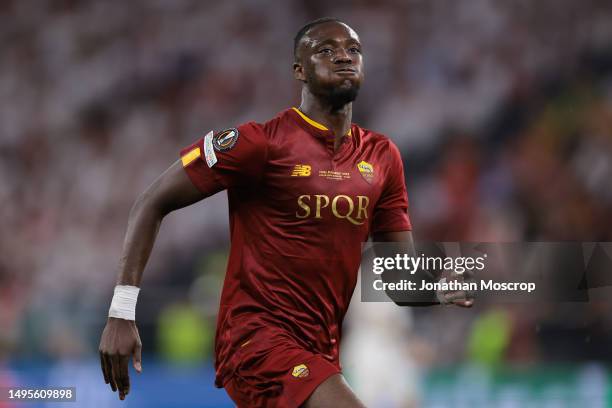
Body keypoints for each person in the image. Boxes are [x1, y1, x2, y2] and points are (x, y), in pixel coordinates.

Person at [98, 17, 473, 407]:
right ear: (300, 70)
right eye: (326, 51)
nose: (344, 57)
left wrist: (438, 287)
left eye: (354, 50)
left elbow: (399, 279)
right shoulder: (258, 144)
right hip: (254, 341)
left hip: (321, 351)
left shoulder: (382, 158)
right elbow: (151, 201)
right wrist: (121, 311)